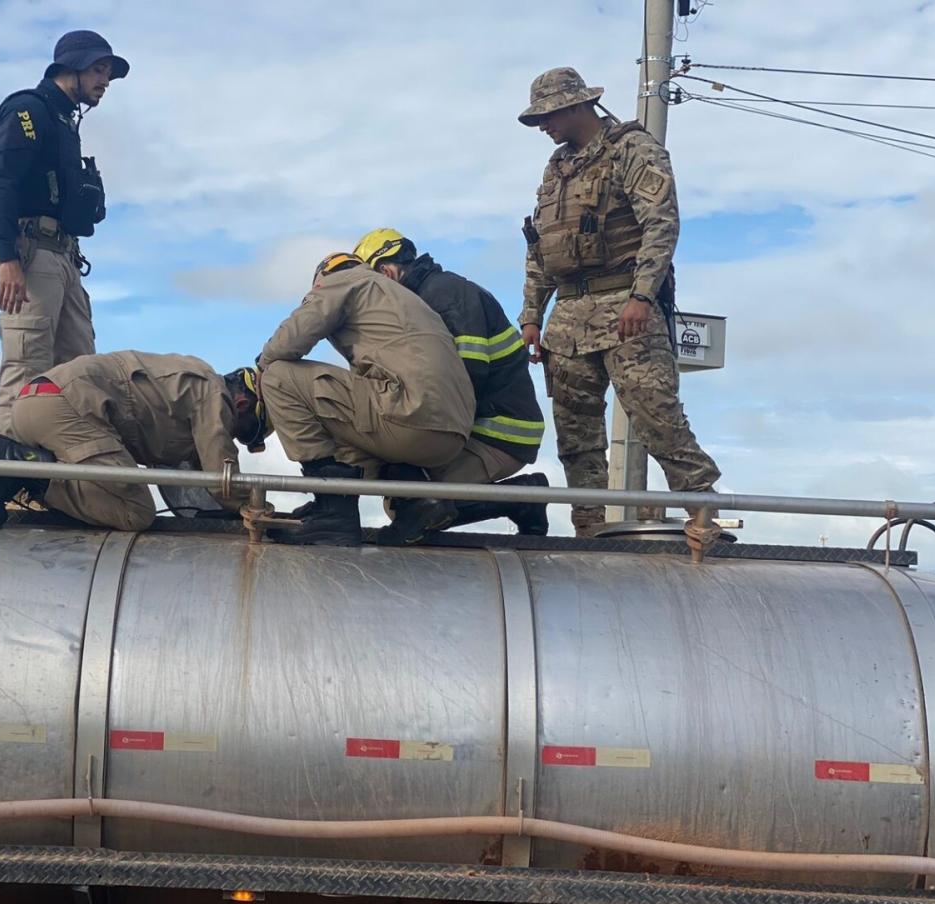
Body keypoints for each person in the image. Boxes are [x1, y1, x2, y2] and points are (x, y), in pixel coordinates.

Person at [516, 67, 720, 540]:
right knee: (576, 432)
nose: (543, 126)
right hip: (568, 318)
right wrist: (531, 315)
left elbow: (661, 224)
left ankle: (701, 512)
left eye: (547, 116)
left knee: (655, 414)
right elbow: (541, 247)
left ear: (573, 107)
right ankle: (589, 526)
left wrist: (642, 296)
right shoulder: (557, 169)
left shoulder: (633, 149)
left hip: (626, 305)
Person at [0, 30, 129, 452]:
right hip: (32, 252)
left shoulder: (65, 120)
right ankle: (5, 481)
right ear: (73, 66)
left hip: (64, 256)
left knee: (81, 372)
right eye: (99, 70)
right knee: (26, 367)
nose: (105, 81)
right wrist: (7, 257)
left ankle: (62, 482)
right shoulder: (29, 110)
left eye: (108, 74)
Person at [257, 254, 475, 547]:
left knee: (278, 376)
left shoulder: (343, 280)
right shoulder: (402, 297)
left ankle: (334, 511)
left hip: (409, 415)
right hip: (451, 435)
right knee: (343, 413)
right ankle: (414, 500)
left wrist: (261, 367)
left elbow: (290, 340)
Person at [353, 228, 549, 543]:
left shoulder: (447, 295)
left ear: (386, 271)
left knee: (419, 507)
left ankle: (524, 498)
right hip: (480, 423)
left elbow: (465, 379)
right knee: (402, 498)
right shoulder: (424, 299)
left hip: (499, 432)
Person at [0, 352, 270, 531]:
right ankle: (19, 470)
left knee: (112, 489)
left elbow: (196, 484)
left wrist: (229, 514)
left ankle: (18, 462)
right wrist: (258, 510)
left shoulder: (185, 393)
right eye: (244, 433)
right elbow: (222, 476)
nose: (234, 437)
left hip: (34, 401)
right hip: (63, 406)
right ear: (242, 404)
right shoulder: (214, 395)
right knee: (136, 512)